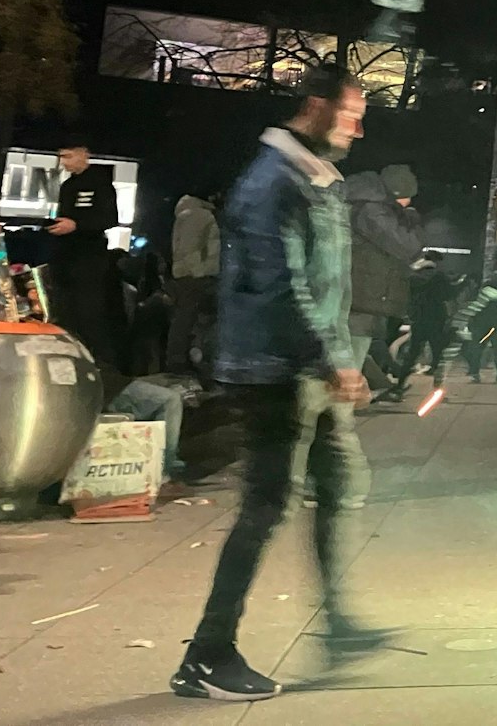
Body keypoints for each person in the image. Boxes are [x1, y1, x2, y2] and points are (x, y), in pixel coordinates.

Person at [172, 66, 390, 702]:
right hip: (277, 368)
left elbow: (322, 286)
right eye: (350, 111)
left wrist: (336, 358)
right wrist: (331, 359)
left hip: (308, 365)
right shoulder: (274, 182)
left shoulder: (313, 177)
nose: (358, 123)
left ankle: (339, 623)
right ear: (315, 106)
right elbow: (279, 284)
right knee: (267, 504)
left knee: (336, 485)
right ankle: (208, 654)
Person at [47, 140, 127, 368]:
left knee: (90, 313)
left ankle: (101, 363)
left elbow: (109, 218)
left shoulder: (100, 183)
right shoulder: (67, 186)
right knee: (67, 312)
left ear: (84, 154)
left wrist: (77, 225)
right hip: (66, 257)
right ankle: (72, 358)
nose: (64, 162)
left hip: (89, 259)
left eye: (68, 156)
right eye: (61, 157)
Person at [344, 165, 422, 392]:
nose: (408, 204)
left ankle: (344, 414)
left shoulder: (366, 204)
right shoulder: (372, 211)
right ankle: (339, 421)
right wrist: (412, 220)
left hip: (361, 295)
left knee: (351, 361)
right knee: (349, 364)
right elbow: (408, 246)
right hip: (362, 296)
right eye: (406, 198)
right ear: (395, 194)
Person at [379, 256, 456, 402]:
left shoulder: (415, 280)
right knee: (438, 357)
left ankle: (400, 387)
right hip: (436, 321)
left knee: (413, 355)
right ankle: (437, 390)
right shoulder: (438, 279)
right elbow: (450, 294)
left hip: (421, 321)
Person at [165, 188, 222, 378]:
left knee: (186, 317)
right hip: (194, 276)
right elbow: (189, 248)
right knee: (187, 318)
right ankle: (179, 361)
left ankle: (181, 359)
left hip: (187, 275)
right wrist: (200, 272)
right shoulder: (198, 214)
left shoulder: (188, 212)